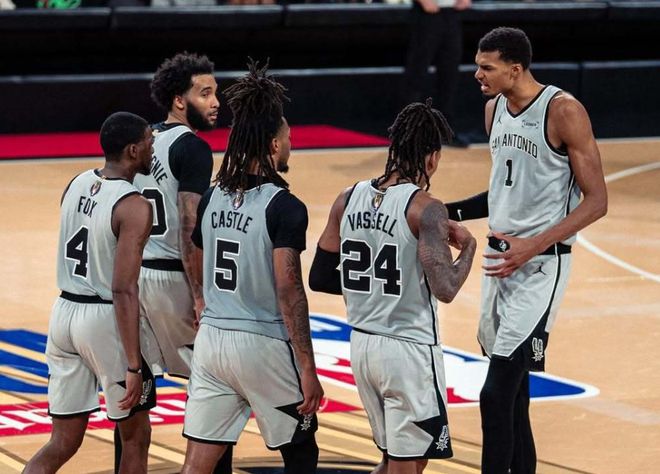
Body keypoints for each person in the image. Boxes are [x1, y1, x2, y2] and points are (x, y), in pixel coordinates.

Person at [445, 27, 608, 473]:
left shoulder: (563, 111)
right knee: (514, 395)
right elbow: (503, 193)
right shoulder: (493, 109)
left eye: (487, 67)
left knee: (495, 393)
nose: (477, 75)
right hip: (500, 263)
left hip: (540, 267)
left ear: (515, 69)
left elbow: (597, 201)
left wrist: (531, 247)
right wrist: (444, 212)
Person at [309, 100, 477, 474]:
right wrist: (468, 247)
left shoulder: (347, 198)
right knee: (407, 463)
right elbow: (446, 288)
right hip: (408, 351)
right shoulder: (425, 208)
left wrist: (371, 289)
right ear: (432, 158)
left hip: (363, 347)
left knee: (395, 459)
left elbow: (320, 276)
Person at [180, 61, 324, 474]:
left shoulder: (213, 196)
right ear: (275, 144)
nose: (291, 145)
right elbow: (289, 291)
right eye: (288, 138)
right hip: (262, 343)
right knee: (301, 452)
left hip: (212, 341)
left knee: (198, 463)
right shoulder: (284, 206)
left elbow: (195, 249)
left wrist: (200, 300)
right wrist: (307, 367)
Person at [24, 112, 155, 474]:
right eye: (149, 141)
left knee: (62, 441)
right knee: (136, 436)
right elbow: (123, 289)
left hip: (63, 313)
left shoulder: (76, 183)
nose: (152, 148)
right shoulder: (135, 206)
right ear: (133, 150)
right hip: (102, 320)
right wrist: (133, 364)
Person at [127, 53, 234, 473]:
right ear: (178, 100)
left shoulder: (139, 141)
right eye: (204, 93)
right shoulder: (192, 147)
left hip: (135, 277)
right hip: (173, 279)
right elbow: (190, 223)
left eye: (216, 93)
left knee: (135, 394)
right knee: (215, 390)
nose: (215, 102)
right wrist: (200, 294)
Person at [403, 0, 472, 147]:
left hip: (452, 13)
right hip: (426, 13)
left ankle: (445, 130)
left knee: (450, 74)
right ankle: (409, 132)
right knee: (417, 74)